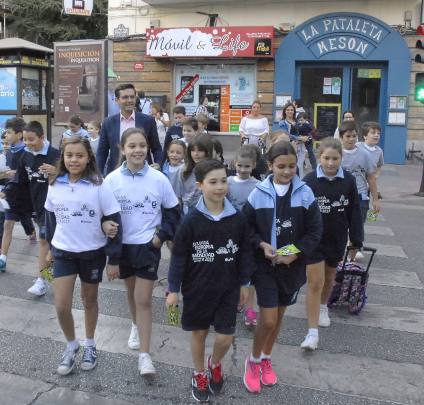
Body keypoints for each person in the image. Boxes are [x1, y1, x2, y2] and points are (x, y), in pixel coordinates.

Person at [166, 159, 252, 403]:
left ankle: (214, 363)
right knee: (199, 334)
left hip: (228, 287)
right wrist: (173, 289)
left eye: (223, 181)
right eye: (213, 182)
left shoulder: (238, 217)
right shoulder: (191, 220)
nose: (219, 187)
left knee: (225, 337)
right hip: (197, 288)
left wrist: (246, 283)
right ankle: (199, 373)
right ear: (201, 185)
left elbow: (245, 251)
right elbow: (179, 256)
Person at [242, 141, 322, 394]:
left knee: (278, 319)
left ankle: (266, 358)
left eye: (291, 166)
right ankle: (253, 361)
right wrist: (262, 244)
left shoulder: (306, 193)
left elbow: (314, 231)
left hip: (292, 267)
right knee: (267, 319)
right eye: (281, 167)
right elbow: (247, 229)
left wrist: (294, 253)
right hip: (264, 266)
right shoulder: (258, 193)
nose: (287, 172)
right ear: (270, 166)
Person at [104, 127, 180, 375]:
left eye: (142, 146)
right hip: (123, 248)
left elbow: (173, 212)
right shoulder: (112, 179)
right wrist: (110, 250)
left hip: (148, 246)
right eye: (132, 146)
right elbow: (103, 216)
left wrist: (160, 237)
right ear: (122, 149)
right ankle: (135, 324)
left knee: (144, 298)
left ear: (148, 148)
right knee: (131, 291)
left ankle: (145, 356)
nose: (137, 150)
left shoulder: (159, 179)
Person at [44, 136, 122, 375]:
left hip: (92, 253)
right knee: (61, 305)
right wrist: (49, 247)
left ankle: (90, 344)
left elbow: (114, 219)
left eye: (79, 155)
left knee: (89, 301)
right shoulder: (55, 183)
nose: (74, 160)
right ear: (63, 158)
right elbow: (50, 218)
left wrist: (114, 258)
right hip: (63, 252)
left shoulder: (99, 184)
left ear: (89, 158)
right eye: (69, 156)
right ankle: (71, 344)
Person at [301, 138, 363, 350]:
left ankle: (323, 306)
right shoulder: (309, 180)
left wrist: (356, 240)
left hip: (336, 238)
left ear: (341, 158)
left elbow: (354, 211)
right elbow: (299, 211)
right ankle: (311, 332)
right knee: (315, 282)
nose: (330, 163)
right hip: (313, 240)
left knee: (329, 278)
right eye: (326, 158)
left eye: (334, 159)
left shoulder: (348, 181)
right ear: (319, 158)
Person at [16, 121, 60, 296]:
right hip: (39, 208)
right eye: (25, 140)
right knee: (45, 242)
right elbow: (20, 180)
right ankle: (44, 279)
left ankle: (47, 278)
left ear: (42, 137)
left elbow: (75, 175)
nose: (27, 143)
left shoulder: (56, 154)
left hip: (59, 209)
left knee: (55, 246)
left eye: (31, 139)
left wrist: (57, 171)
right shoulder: (25, 155)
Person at [97, 84, 162, 175]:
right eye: (125, 97)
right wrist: (98, 175)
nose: (130, 100)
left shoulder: (148, 121)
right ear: (117, 100)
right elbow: (101, 152)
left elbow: (157, 149)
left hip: (144, 173)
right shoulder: (108, 123)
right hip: (116, 173)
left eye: (132, 97)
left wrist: (158, 165)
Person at [227, 146, 259, 327]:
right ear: (234, 164)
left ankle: (249, 309)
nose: (243, 169)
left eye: (247, 166)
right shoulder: (228, 182)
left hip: (249, 236)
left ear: (253, 165)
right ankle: (234, 301)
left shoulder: (258, 185)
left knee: (249, 274)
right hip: (230, 233)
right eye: (240, 165)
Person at [339, 120, 379, 261]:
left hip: (361, 197)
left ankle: (351, 259)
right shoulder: (336, 155)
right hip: (341, 197)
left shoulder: (364, 155)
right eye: (348, 136)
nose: (351, 139)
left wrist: (376, 199)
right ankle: (339, 255)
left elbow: (371, 177)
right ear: (341, 137)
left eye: (354, 136)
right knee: (340, 227)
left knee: (356, 229)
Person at [0, 118, 36, 272]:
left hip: (29, 199)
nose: (5, 135)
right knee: (8, 225)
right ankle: (3, 258)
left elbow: (31, 175)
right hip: (12, 197)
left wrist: (18, 175)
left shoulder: (30, 153)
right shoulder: (9, 152)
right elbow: (10, 174)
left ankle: (45, 278)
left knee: (44, 239)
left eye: (9, 132)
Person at [175, 135, 214, 215]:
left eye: (200, 150)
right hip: (188, 212)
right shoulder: (183, 170)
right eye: (193, 150)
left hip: (209, 211)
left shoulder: (214, 170)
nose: (196, 154)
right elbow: (178, 196)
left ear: (207, 151)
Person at [279, 103, 307, 177]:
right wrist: (299, 138)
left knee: (300, 167)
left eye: (291, 110)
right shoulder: (282, 122)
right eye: (288, 110)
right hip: (289, 146)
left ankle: (300, 183)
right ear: (285, 111)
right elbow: (286, 135)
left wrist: (305, 137)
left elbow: (305, 131)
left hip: (300, 146)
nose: (290, 111)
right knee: (291, 165)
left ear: (294, 111)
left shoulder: (298, 121)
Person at [357, 122, 384, 199]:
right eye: (373, 133)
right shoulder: (357, 147)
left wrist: (375, 177)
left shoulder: (379, 151)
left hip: (368, 185)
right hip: (355, 184)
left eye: (378, 133)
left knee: (364, 206)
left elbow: (379, 166)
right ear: (365, 136)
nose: (376, 135)